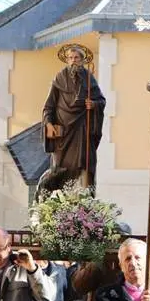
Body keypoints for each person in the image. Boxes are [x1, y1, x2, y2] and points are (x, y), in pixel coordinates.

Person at [40, 45, 106, 192]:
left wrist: (93, 104)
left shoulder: (89, 79)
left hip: (81, 129)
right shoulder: (59, 78)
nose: (73, 60)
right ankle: (58, 198)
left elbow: (101, 101)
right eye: (70, 58)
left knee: (84, 164)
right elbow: (49, 106)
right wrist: (49, 124)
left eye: (76, 58)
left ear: (82, 60)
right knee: (60, 168)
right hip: (63, 132)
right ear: (67, 60)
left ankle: (83, 196)